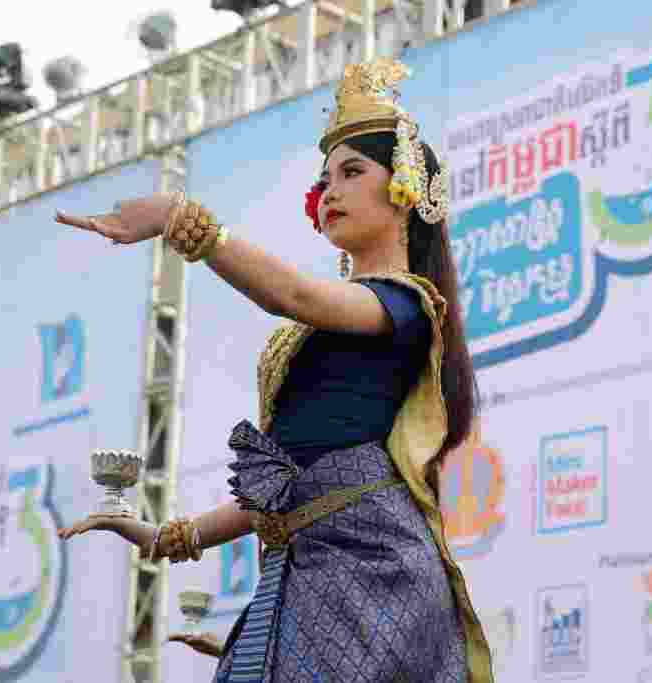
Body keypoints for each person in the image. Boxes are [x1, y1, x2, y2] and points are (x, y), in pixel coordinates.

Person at [56, 57, 494, 682]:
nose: (331, 192)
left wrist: (180, 220)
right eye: (325, 179)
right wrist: (166, 537)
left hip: (369, 573)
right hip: (307, 567)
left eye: (352, 172)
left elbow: (297, 297)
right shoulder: (333, 320)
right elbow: (294, 480)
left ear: (405, 191)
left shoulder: (408, 304)